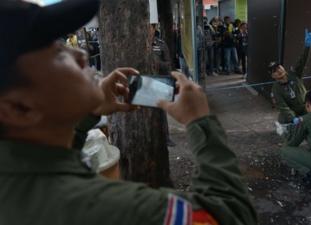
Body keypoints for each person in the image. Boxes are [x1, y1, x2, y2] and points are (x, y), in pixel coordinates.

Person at [0, 1, 257, 225]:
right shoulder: (110, 208)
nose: (80, 53)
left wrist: (84, 118)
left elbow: (49, 163)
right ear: (18, 108)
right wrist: (199, 121)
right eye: (57, 54)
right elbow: (232, 215)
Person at [269, 29, 311, 124]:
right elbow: (283, 107)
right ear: (273, 76)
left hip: (305, 107)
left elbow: (302, 61)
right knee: (284, 120)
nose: (278, 70)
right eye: (275, 71)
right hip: (292, 112)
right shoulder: (276, 89)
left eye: (279, 67)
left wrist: (307, 47)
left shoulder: (294, 74)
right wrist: (293, 119)